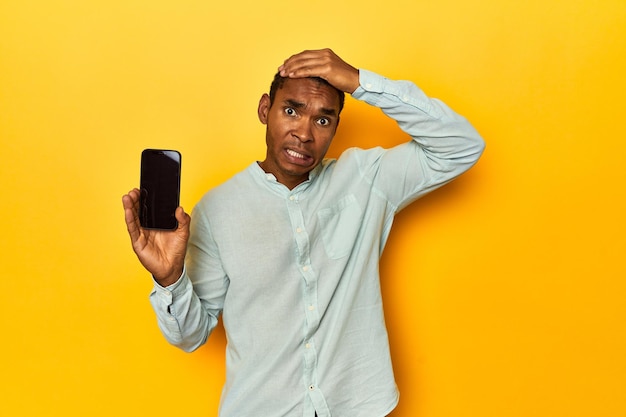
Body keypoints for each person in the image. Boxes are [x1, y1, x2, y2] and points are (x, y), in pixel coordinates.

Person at [122, 48, 485, 417]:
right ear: (266, 109)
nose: (304, 133)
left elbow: (462, 146)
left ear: (336, 127)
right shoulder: (218, 209)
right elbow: (191, 335)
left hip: (358, 406)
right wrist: (169, 279)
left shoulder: (366, 178)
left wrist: (360, 82)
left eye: (323, 120)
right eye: (291, 110)